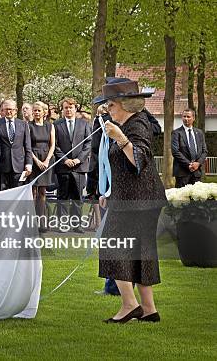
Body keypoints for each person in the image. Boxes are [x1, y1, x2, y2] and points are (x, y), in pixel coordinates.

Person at [95, 78, 166, 323]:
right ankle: (149, 310)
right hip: (132, 198)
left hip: (139, 200)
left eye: (111, 105)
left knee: (112, 245)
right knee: (140, 251)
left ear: (124, 104)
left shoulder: (137, 125)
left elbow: (140, 160)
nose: (108, 110)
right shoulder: (127, 123)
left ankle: (129, 305)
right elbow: (122, 169)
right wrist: (110, 193)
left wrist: (120, 138)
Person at [53, 98, 91, 232]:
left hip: (79, 167)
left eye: (71, 107)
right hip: (63, 167)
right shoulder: (56, 124)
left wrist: (79, 159)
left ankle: (77, 225)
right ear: (62, 110)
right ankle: (63, 224)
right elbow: (54, 145)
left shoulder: (84, 124)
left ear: (75, 108)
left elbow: (88, 144)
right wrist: (65, 159)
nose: (68, 110)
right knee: (62, 197)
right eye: (66, 108)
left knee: (77, 198)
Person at [26, 101, 56, 232]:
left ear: (44, 112)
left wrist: (47, 160)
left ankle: (41, 221)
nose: (37, 113)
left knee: (43, 192)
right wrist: (37, 161)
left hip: (46, 159)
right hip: (33, 159)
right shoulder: (28, 126)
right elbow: (27, 145)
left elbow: (52, 144)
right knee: (33, 192)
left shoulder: (50, 126)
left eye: (39, 110)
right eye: (35, 110)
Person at [0, 100, 32, 190]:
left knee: (18, 195)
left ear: (16, 110)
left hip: (19, 166)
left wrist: (29, 163)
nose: (8, 111)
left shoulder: (23, 124)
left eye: (11, 109)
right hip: (2, 166)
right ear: (3, 110)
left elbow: (27, 146)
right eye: (6, 109)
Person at [172, 108, 207, 187]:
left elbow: (204, 151)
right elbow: (175, 151)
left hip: (196, 173)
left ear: (193, 118)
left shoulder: (200, 133)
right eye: (184, 116)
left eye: (188, 117)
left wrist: (197, 164)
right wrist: (189, 164)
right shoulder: (176, 133)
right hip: (182, 173)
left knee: (196, 198)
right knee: (182, 199)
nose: (186, 119)